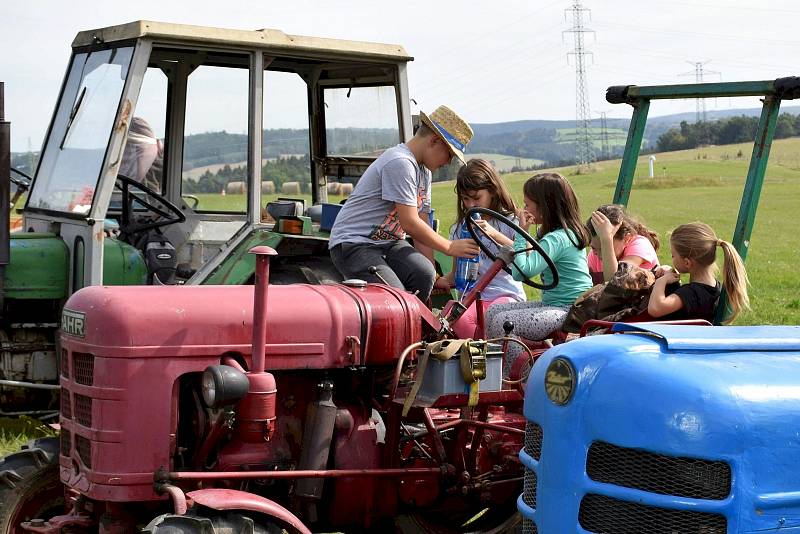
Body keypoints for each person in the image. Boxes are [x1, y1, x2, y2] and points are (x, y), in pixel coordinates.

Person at [328, 106, 480, 302]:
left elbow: (422, 226)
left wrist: (434, 276)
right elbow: (409, 223)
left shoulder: (424, 172)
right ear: (434, 141)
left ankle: (416, 329)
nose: (448, 162)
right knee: (395, 298)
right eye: (449, 155)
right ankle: (398, 329)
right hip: (355, 244)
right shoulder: (400, 162)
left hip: (389, 243)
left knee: (424, 275)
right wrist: (450, 247)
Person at [484, 173, 593, 365]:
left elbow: (521, 272)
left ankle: (526, 375)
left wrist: (521, 232)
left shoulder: (557, 239)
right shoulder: (562, 234)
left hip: (569, 311)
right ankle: (513, 368)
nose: (524, 209)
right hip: (555, 305)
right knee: (493, 312)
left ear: (544, 208)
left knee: (503, 323)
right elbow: (528, 262)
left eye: (527, 205)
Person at [434, 159, 526, 338]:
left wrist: (492, 233)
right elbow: (455, 274)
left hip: (504, 295)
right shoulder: (459, 228)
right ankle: (477, 357)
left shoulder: (511, 222)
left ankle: (491, 356)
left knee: (496, 320)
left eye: (476, 198)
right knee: (453, 317)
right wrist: (437, 281)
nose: (470, 205)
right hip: (471, 299)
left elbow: (526, 257)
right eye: (465, 199)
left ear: (492, 191)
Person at [648, 222, 749, 324]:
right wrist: (670, 274)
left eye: (673, 255)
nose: (672, 258)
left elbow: (655, 309)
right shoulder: (713, 288)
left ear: (687, 263)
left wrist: (661, 281)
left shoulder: (692, 293)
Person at [587, 204, 660, 284]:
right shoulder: (594, 254)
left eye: (603, 247)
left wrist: (607, 239)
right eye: (593, 248)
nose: (600, 254)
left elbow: (615, 282)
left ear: (626, 238)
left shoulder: (640, 245)